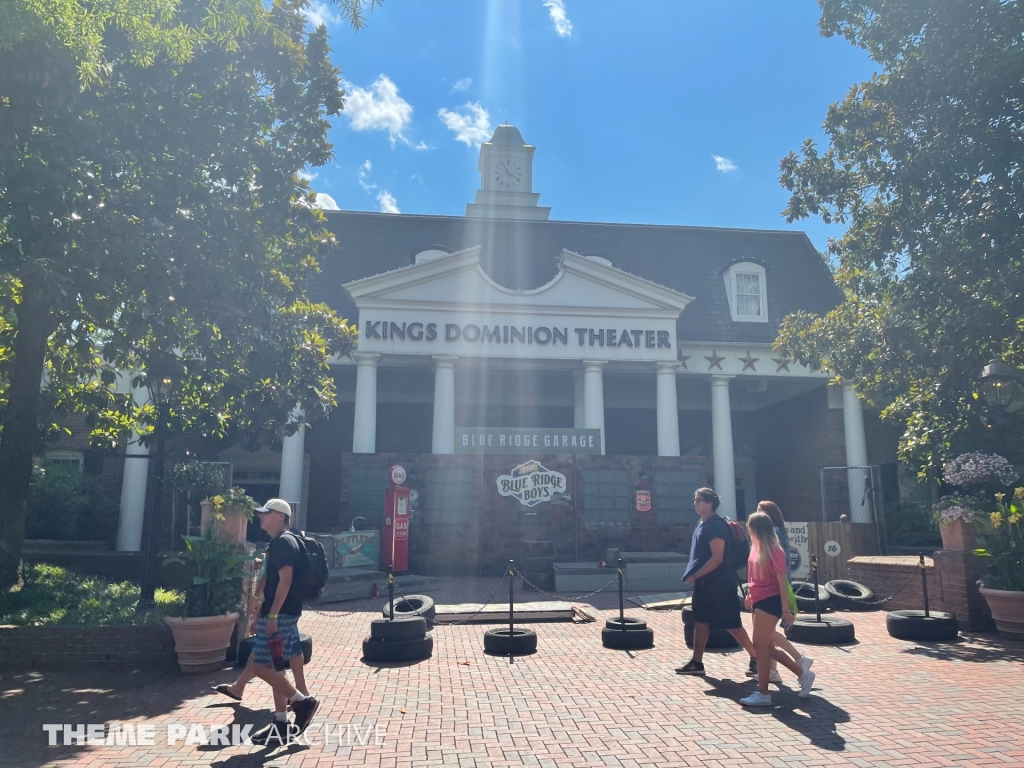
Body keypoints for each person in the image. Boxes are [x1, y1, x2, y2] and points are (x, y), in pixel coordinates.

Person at [243, 498, 319, 745]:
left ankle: (302, 702)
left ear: (281, 517)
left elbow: (285, 581)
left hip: (282, 613)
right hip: (280, 612)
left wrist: (273, 614)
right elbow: (271, 578)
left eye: (267, 513)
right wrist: (258, 601)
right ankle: (280, 723)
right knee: (276, 667)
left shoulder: (284, 542)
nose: (261, 516)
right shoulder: (277, 543)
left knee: (259, 666)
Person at [676, 487, 758, 677]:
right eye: (695, 500)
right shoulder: (701, 524)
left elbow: (717, 558)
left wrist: (695, 576)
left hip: (720, 584)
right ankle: (697, 663)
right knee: (701, 621)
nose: (695, 504)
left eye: (699, 500)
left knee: (731, 623)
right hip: (705, 584)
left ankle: (756, 658)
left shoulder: (716, 526)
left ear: (710, 503)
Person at [740, 511, 817, 706]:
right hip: (758, 600)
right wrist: (749, 595)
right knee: (767, 648)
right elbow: (753, 577)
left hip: (771, 601)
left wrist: (785, 610)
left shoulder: (775, 551)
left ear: (755, 528)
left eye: (749, 526)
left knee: (759, 646)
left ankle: (763, 693)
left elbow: (782, 582)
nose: (747, 529)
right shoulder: (755, 548)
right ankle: (802, 674)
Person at [213, 556, 309, 703]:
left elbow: (271, 580)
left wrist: (263, 609)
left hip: (278, 609)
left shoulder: (279, 546)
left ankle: (300, 699)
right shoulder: (290, 544)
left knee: (268, 659)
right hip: (288, 607)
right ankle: (294, 698)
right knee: (289, 648)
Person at [756, 501, 813, 684]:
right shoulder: (775, 532)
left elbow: (776, 565)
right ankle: (773, 671)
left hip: (774, 587)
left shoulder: (774, 534)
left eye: (760, 512)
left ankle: (799, 661)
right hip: (772, 586)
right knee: (769, 634)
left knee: (766, 635)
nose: (758, 515)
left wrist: (785, 607)